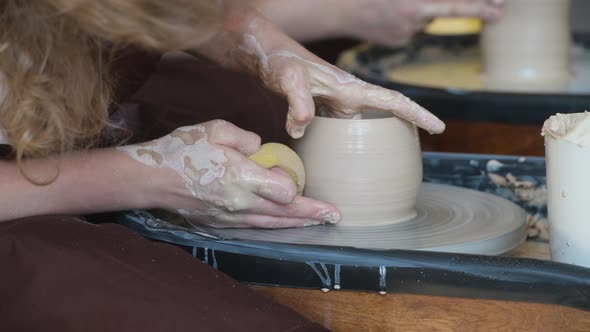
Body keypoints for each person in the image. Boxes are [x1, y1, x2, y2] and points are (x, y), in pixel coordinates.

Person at [0, 0, 503, 330]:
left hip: (68, 110)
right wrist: (136, 175)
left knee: (270, 113)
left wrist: (276, 53)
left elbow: (175, 10)